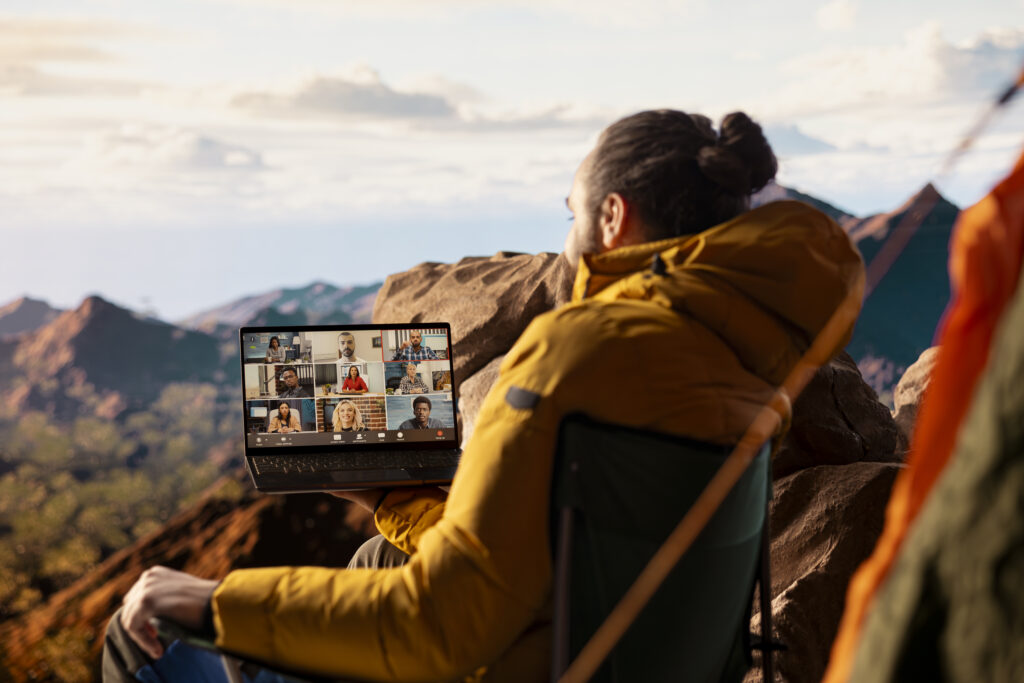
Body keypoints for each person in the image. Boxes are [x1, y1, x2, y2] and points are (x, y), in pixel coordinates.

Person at [105, 110, 864, 682]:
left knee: (143, 628)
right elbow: (584, 574)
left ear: (611, 216)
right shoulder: (755, 365)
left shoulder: (577, 352)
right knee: (376, 556)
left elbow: (438, 629)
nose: (569, 235)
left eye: (571, 213)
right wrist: (399, 506)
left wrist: (208, 598)